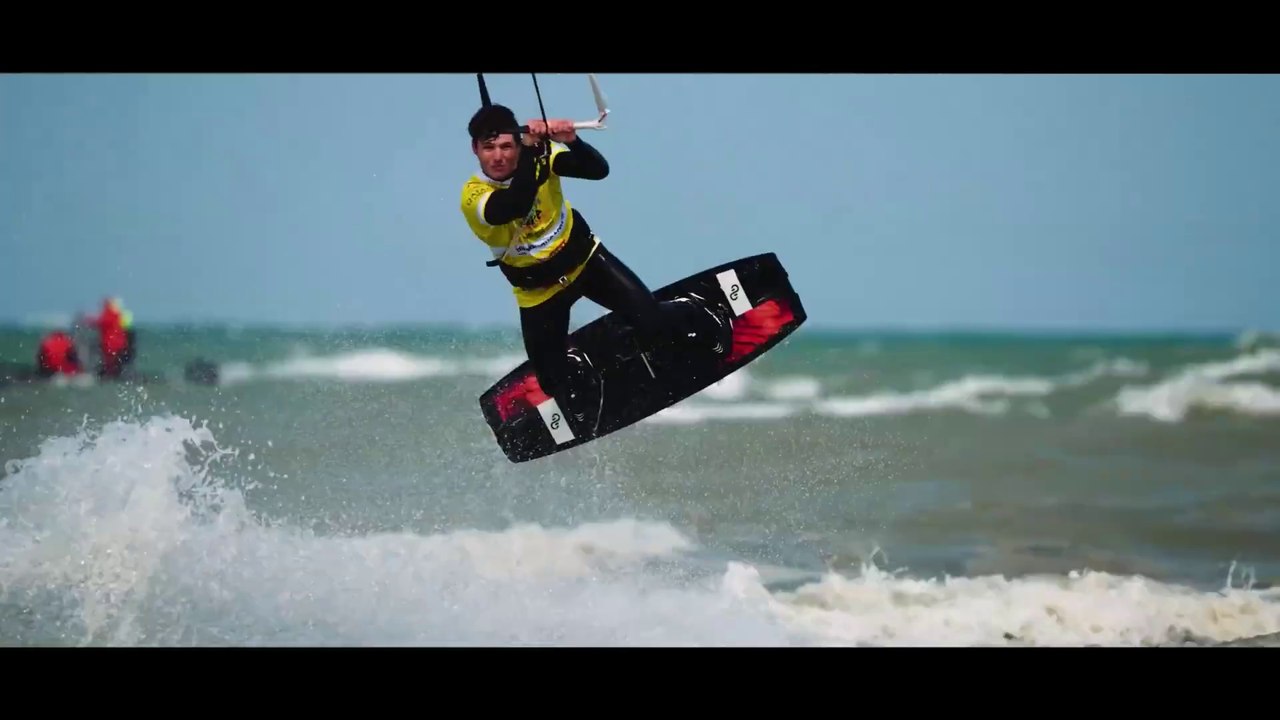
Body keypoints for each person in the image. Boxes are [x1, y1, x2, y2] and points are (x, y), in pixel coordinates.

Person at [459, 103, 731, 423]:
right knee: (552, 384)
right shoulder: (474, 197)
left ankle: (692, 309)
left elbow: (597, 170)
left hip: (587, 264)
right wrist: (532, 154)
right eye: (489, 148)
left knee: (654, 323)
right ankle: (576, 364)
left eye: (507, 146)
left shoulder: (543, 155)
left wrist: (572, 140)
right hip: (540, 294)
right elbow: (514, 206)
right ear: (475, 149)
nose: (499, 156)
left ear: (518, 143)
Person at [80, 297, 135, 378]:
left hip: (111, 345)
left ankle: (108, 374)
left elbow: (99, 321)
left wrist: (85, 319)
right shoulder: (118, 315)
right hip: (118, 344)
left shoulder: (110, 315)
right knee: (113, 364)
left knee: (110, 364)